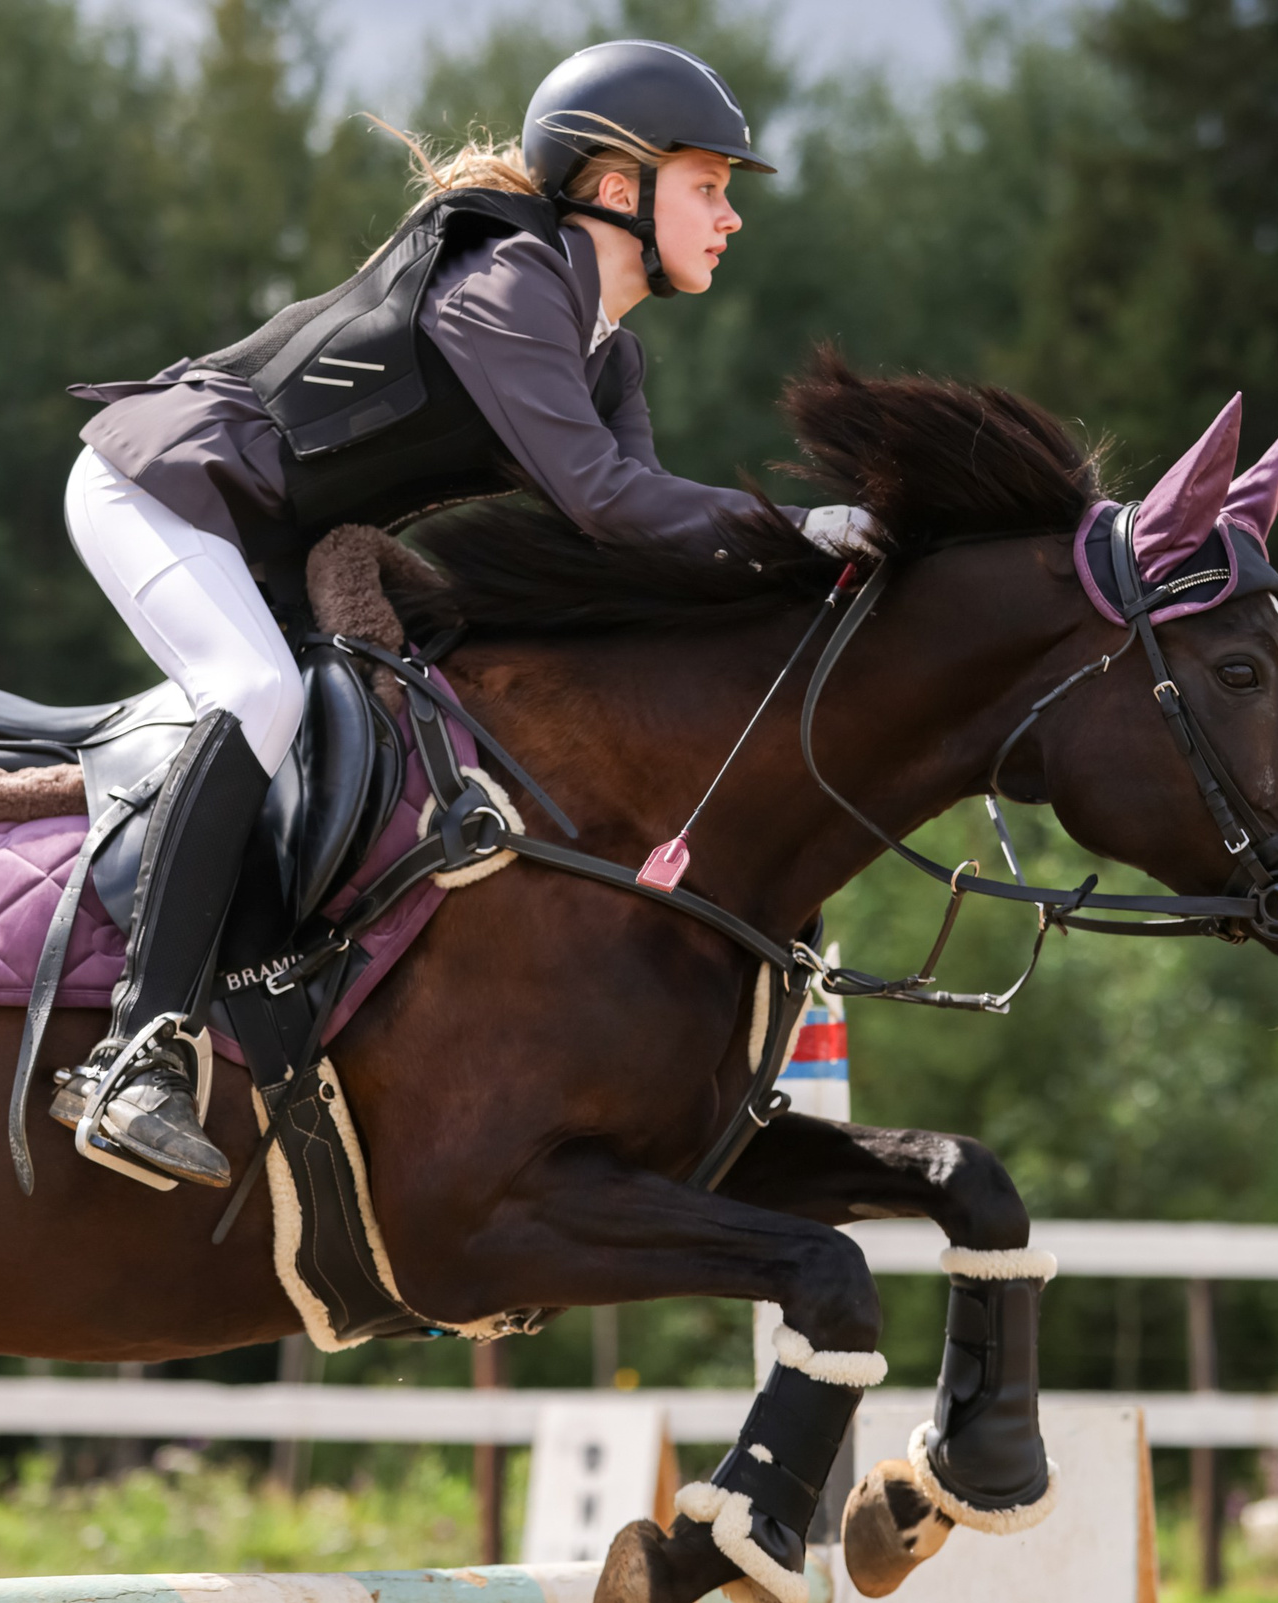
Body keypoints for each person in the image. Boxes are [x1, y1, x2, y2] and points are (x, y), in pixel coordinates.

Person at [55, 40, 875, 1190]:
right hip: (165, 491)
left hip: (276, 541)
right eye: (708, 187)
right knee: (255, 694)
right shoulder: (507, 287)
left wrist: (814, 586)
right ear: (613, 187)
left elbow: (631, 540)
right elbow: (604, 496)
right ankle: (137, 1053)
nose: (730, 217)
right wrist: (812, 529)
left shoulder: (609, 361)